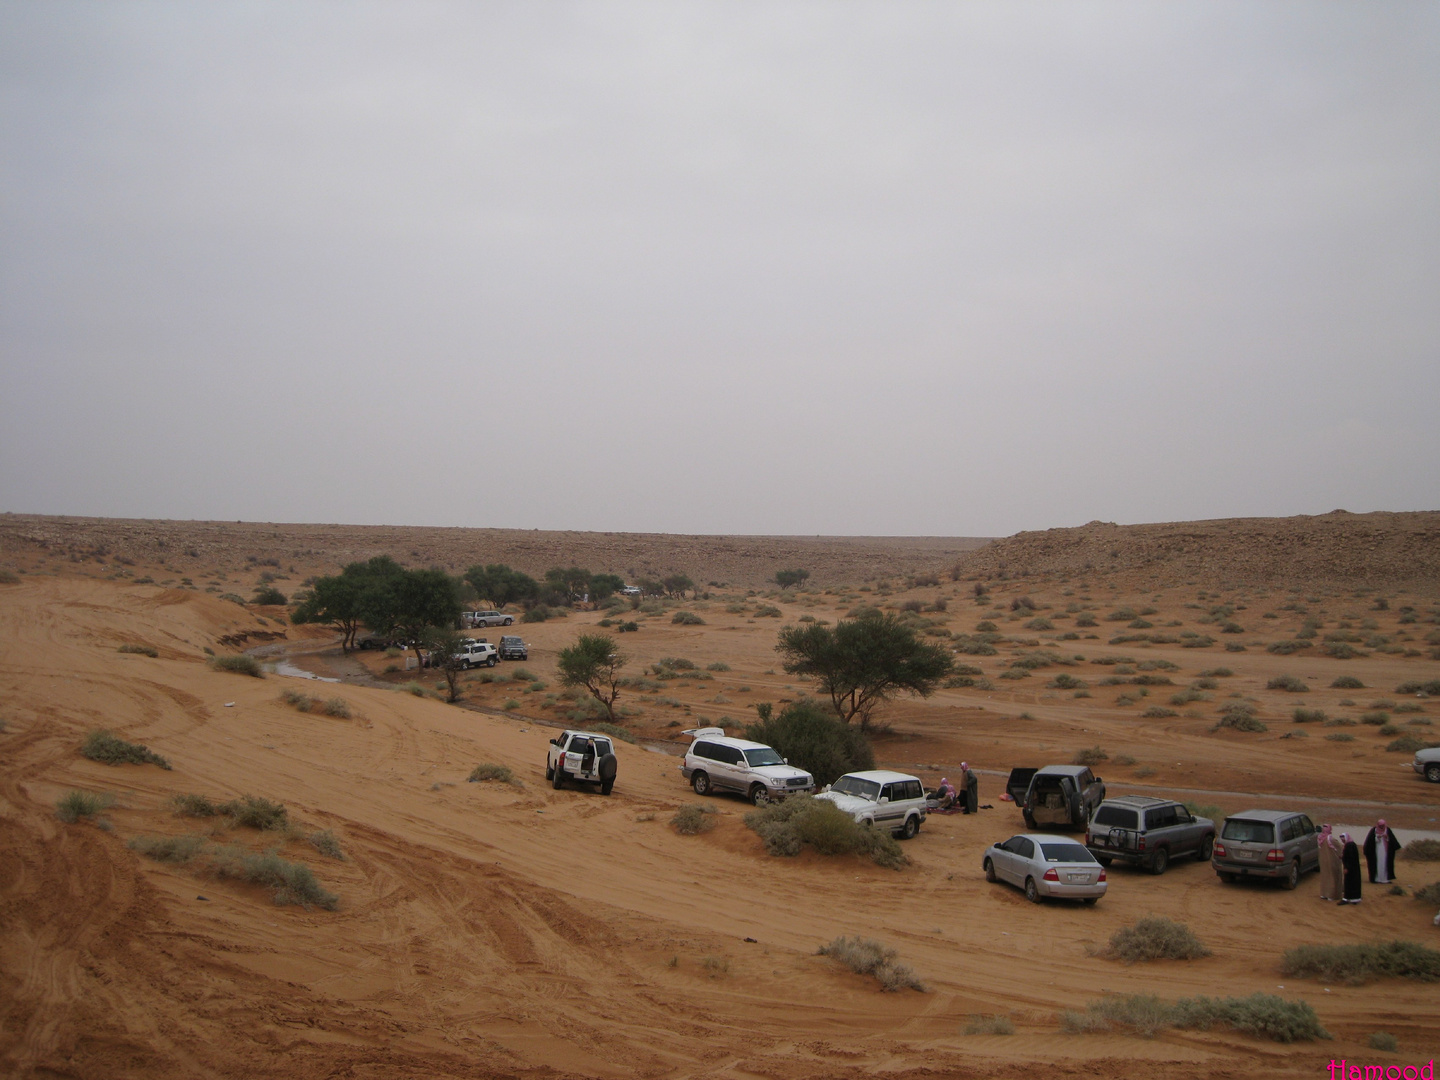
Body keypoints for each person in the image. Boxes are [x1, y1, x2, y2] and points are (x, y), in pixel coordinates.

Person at [1363, 819, 1402, 884]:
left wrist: (1387, 837)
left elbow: (1392, 841)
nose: (1381, 827)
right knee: (1377, 864)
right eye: (1380, 826)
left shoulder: (1387, 830)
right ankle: (1377, 879)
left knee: (1385, 864)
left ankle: (1385, 879)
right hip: (1376, 852)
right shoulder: (1374, 830)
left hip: (1385, 852)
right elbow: (1369, 842)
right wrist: (1377, 838)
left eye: (1382, 826)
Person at [1317, 824, 1342, 901]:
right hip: (1331, 861)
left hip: (1323, 861)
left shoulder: (1320, 838)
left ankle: (1324, 894)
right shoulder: (1330, 839)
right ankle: (1331, 895)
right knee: (1332, 877)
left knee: (1325, 877)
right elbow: (1339, 847)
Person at [1340, 833, 1363, 904]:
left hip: (1351, 869)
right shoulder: (1350, 844)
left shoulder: (1349, 845)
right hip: (1353, 868)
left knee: (1349, 883)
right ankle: (1353, 898)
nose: (1342, 840)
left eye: (1343, 838)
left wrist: (1347, 868)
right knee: (1353, 883)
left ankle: (1347, 898)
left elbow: (1350, 858)